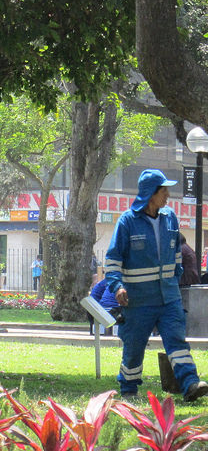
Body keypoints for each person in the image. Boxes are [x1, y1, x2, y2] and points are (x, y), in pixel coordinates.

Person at [105, 169, 208, 401]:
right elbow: (113, 259)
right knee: (134, 347)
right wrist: (117, 286)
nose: (168, 195)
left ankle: (190, 384)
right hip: (139, 301)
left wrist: (176, 279)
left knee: (177, 340)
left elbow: (176, 254)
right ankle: (129, 390)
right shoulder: (127, 222)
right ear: (151, 194)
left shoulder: (169, 217)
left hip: (169, 297)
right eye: (164, 190)